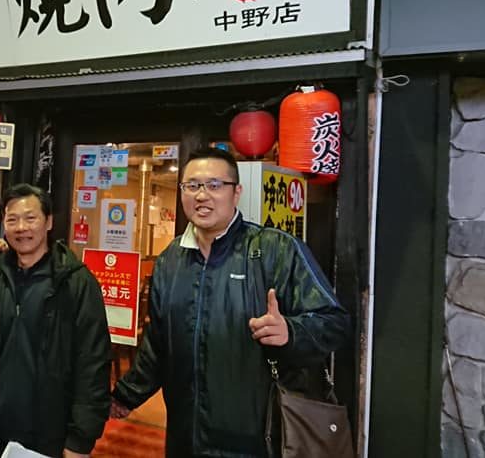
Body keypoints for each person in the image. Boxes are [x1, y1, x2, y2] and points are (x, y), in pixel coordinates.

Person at [110, 148, 351, 457]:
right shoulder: (171, 260)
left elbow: (335, 322)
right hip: (186, 438)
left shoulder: (275, 250)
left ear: (236, 193)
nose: (202, 195)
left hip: (257, 441)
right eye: (192, 185)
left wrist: (291, 332)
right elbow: (158, 345)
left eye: (214, 185)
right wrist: (126, 396)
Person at [0, 184, 110, 458]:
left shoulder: (75, 283)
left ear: (48, 221)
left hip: (51, 436)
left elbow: (93, 362)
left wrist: (80, 439)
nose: (21, 228)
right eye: (12, 219)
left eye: (30, 218)